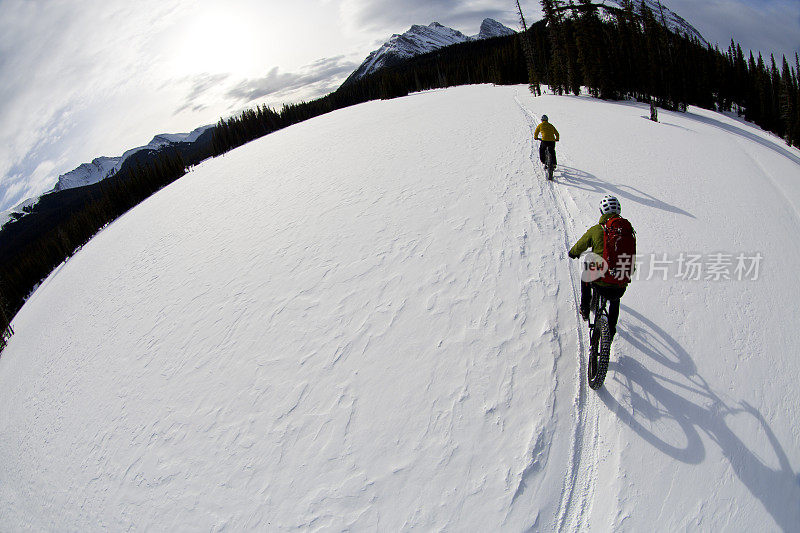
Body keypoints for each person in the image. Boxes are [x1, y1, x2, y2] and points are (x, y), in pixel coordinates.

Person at [567, 195, 635, 341]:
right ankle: (611, 330)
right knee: (615, 300)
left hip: (600, 283)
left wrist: (573, 253)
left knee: (587, 272)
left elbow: (580, 246)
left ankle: (585, 308)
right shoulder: (627, 230)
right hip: (620, 285)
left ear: (602, 212)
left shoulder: (597, 230)